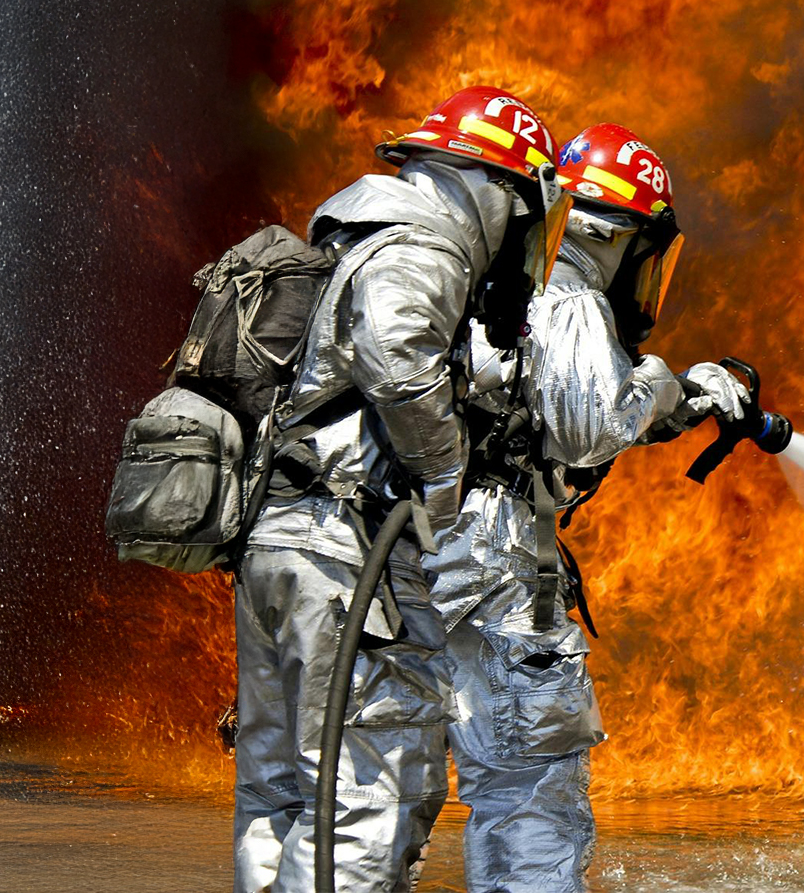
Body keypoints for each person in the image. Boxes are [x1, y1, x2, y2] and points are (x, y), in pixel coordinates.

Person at [231, 86, 569, 893]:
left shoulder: (355, 237)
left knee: (283, 795)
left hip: (281, 540)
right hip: (345, 551)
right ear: (492, 188)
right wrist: (444, 478)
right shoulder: (424, 243)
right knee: (372, 796)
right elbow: (396, 356)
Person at [424, 123, 748, 893]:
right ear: (625, 237)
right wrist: (668, 381)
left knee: (390, 782)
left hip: (415, 547)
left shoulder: (489, 279)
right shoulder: (567, 293)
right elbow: (590, 425)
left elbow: (538, 406)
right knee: (531, 785)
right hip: (493, 560)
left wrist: (681, 400)